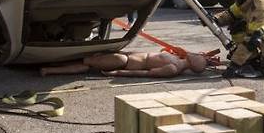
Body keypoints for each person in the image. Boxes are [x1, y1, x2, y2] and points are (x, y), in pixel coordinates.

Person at [39, 51, 208, 78]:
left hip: (125, 62)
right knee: (88, 62)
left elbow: (145, 73)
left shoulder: (173, 69)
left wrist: (118, 73)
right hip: (128, 56)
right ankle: (49, 67)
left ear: (193, 63)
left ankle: (49, 67)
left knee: (88, 62)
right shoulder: (176, 58)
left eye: (198, 56)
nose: (197, 54)